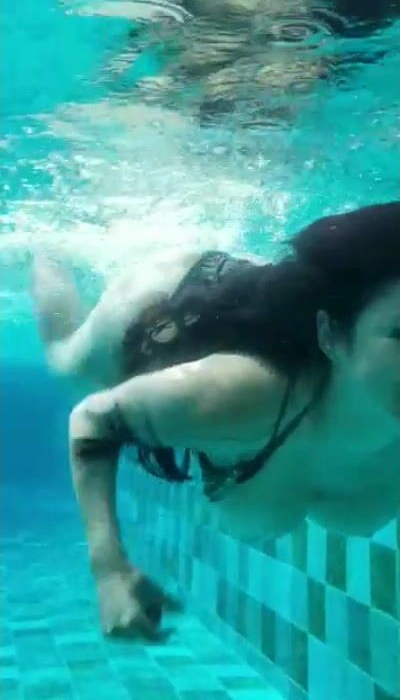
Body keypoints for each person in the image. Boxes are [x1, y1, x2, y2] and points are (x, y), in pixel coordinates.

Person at [31, 202, 400, 640]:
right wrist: (109, 571)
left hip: (270, 308)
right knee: (62, 360)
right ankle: (43, 242)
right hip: (162, 310)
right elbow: (93, 420)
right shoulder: (245, 395)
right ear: (331, 336)